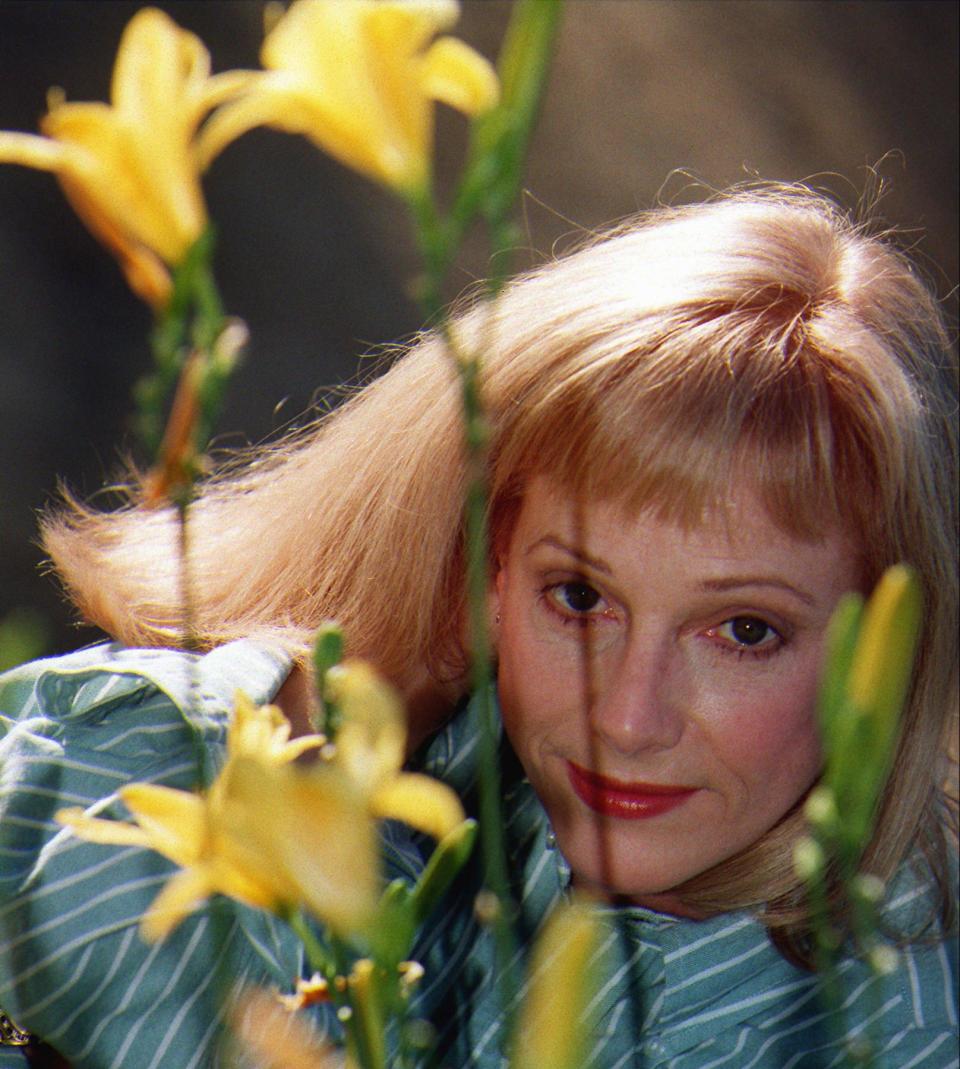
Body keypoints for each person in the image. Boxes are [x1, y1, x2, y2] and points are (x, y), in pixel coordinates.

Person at [0, 185, 957, 1068]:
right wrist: (379, 670)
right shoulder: (431, 765)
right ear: (487, 567)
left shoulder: (895, 1033)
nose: (626, 718)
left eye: (744, 630)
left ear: (885, 652)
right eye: (580, 598)